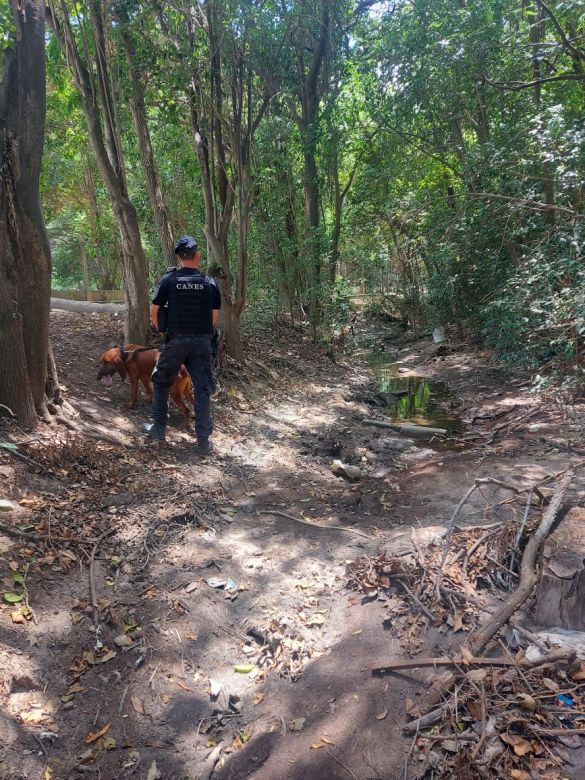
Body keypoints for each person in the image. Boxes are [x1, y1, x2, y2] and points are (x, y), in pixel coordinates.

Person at [147, 235, 221, 454]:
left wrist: (162, 329)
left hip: (176, 339)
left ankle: (159, 430)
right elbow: (213, 318)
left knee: (161, 382)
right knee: (202, 388)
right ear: (198, 256)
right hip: (202, 342)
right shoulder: (209, 282)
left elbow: (154, 311)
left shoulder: (169, 280)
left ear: (178, 256)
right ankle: (204, 443)